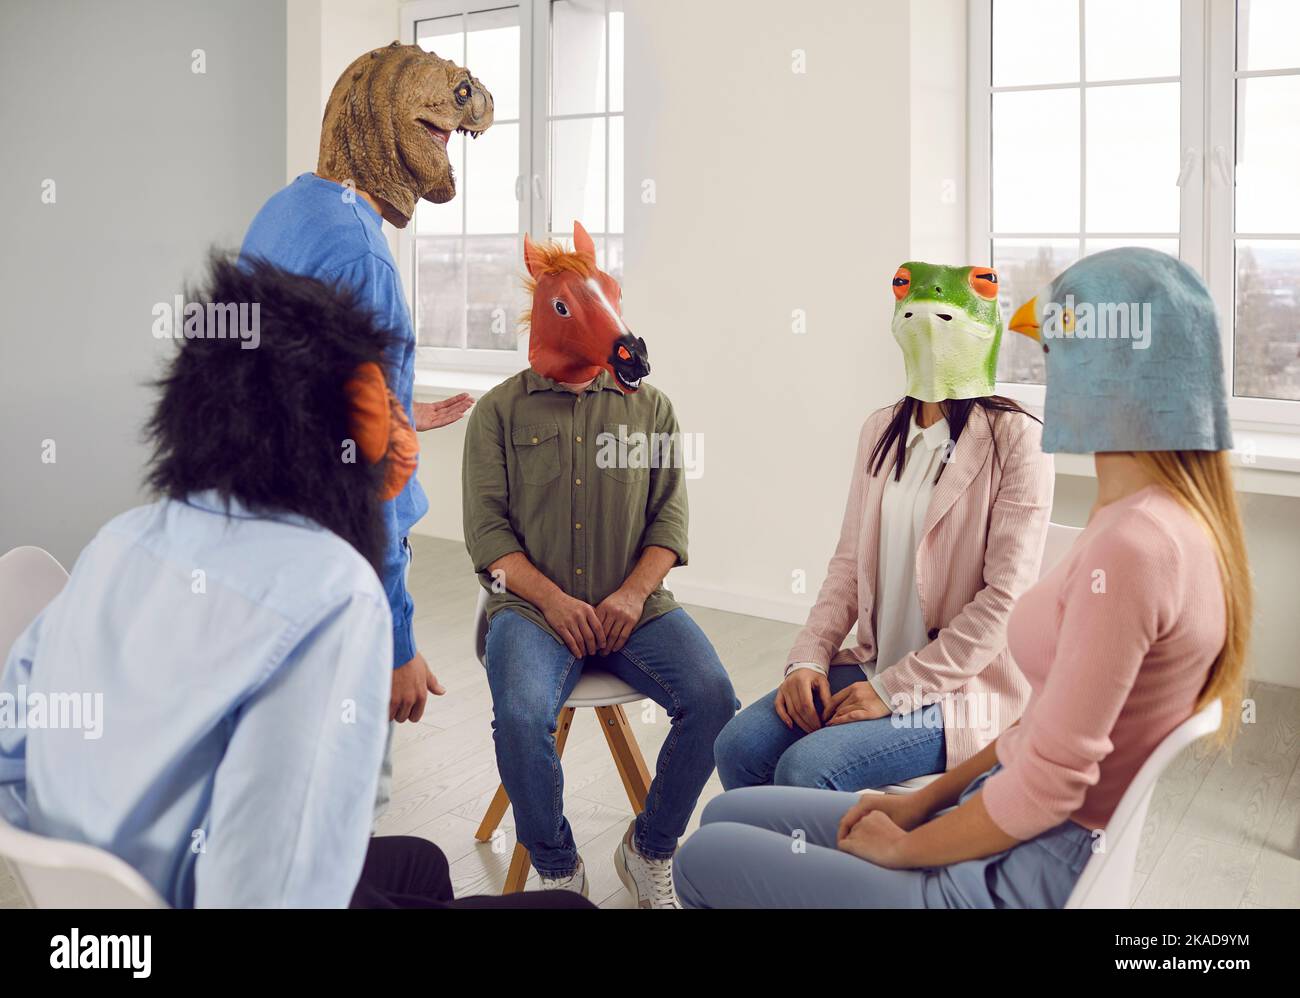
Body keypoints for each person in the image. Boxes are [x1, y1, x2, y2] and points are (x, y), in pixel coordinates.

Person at [0, 256, 587, 909]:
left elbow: (9, 760)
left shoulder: (119, 539)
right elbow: (268, 895)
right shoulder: (332, 593)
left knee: (419, 864)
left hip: (98, 917)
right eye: (380, 399)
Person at [674, 248, 1251, 908]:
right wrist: (922, 802)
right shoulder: (1148, 524)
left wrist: (909, 843)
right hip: (992, 810)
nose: (1047, 379)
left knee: (706, 853)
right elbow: (1040, 738)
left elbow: (1050, 775)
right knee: (730, 800)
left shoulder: (1133, 545)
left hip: (999, 860)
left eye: (1062, 358)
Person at [462, 223, 737, 908]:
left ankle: (648, 849)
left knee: (714, 701)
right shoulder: (497, 412)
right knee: (522, 717)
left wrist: (631, 596)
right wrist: (553, 602)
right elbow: (485, 533)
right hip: (529, 610)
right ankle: (556, 867)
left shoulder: (653, 410)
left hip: (635, 609)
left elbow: (669, 521)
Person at [714, 262, 1052, 793]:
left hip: (960, 691)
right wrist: (808, 657)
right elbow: (848, 565)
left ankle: (829, 874)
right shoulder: (881, 429)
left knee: (805, 769)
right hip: (876, 664)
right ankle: (778, 871)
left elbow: (1004, 603)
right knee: (738, 747)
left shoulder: (1018, 439)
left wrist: (897, 691)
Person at [239, 42, 493, 748]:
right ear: (384, 117)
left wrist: (396, 413)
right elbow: (371, 474)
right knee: (345, 792)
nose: (451, 143)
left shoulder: (291, 208)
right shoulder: (359, 249)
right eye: (440, 128)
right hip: (331, 570)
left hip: (264, 549)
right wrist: (398, 640)